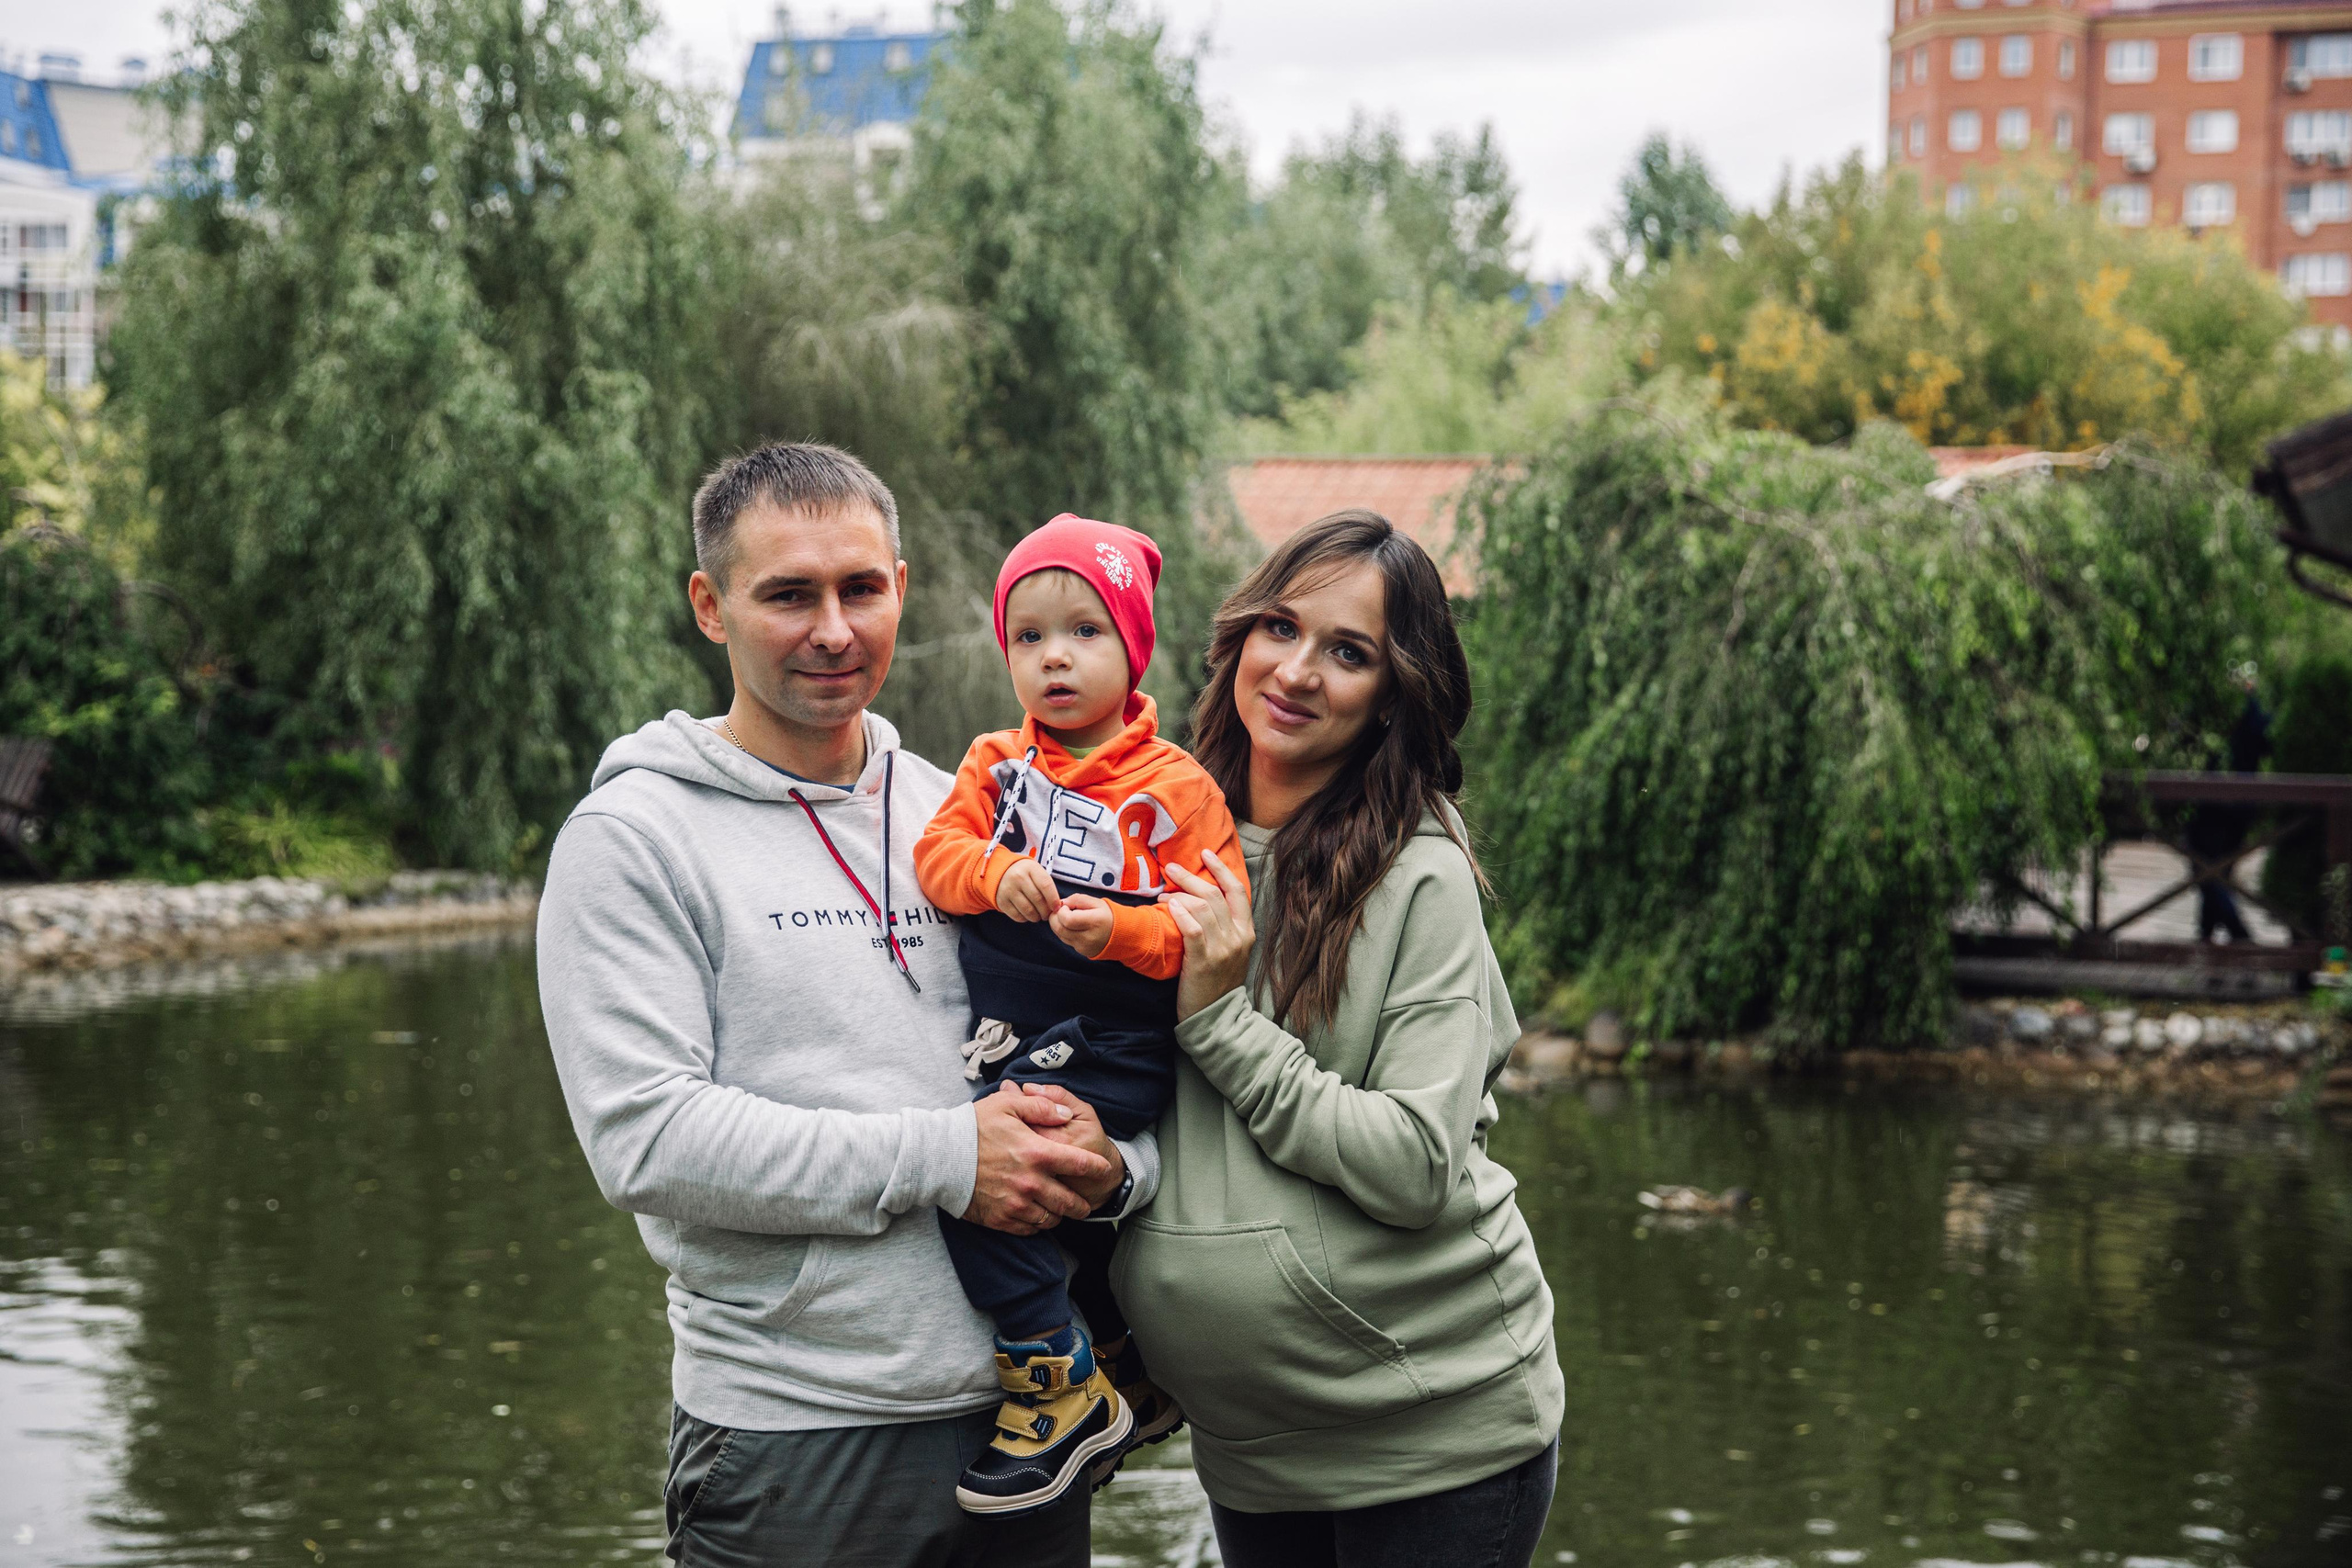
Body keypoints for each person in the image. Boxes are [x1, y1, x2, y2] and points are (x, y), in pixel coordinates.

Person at [537, 444, 1155, 1568]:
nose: (833, 630)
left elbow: (1101, 1039)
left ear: (901, 590)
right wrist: (948, 1157)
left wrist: (1119, 1171)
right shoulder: (634, 839)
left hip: (1034, 1423)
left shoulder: (968, 814)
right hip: (797, 1441)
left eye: (860, 589)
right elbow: (647, 1141)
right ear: (710, 607)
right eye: (789, 595)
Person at [1113, 510, 1565, 1568]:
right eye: (1280, 627)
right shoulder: (1148, 835)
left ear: (1392, 695)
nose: (1297, 671)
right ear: (1240, 636)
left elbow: (1411, 1164)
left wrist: (1220, 1021)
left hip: (1431, 1434)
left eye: (1348, 652)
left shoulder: (1420, 880)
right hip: (1249, 1445)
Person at [913, 513, 1244, 1516]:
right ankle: (1124, 1362)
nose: (1054, 657)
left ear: (1133, 646)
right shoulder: (994, 767)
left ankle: (1051, 1374)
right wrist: (995, 871)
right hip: (1014, 1034)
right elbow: (935, 857)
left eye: (1084, 631)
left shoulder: (1177, 787)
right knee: (1029, 1179)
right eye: (1029, 636)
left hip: (1114, 1036)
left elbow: (1216, 927)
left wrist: (1123, 933)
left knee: (983, 1175)